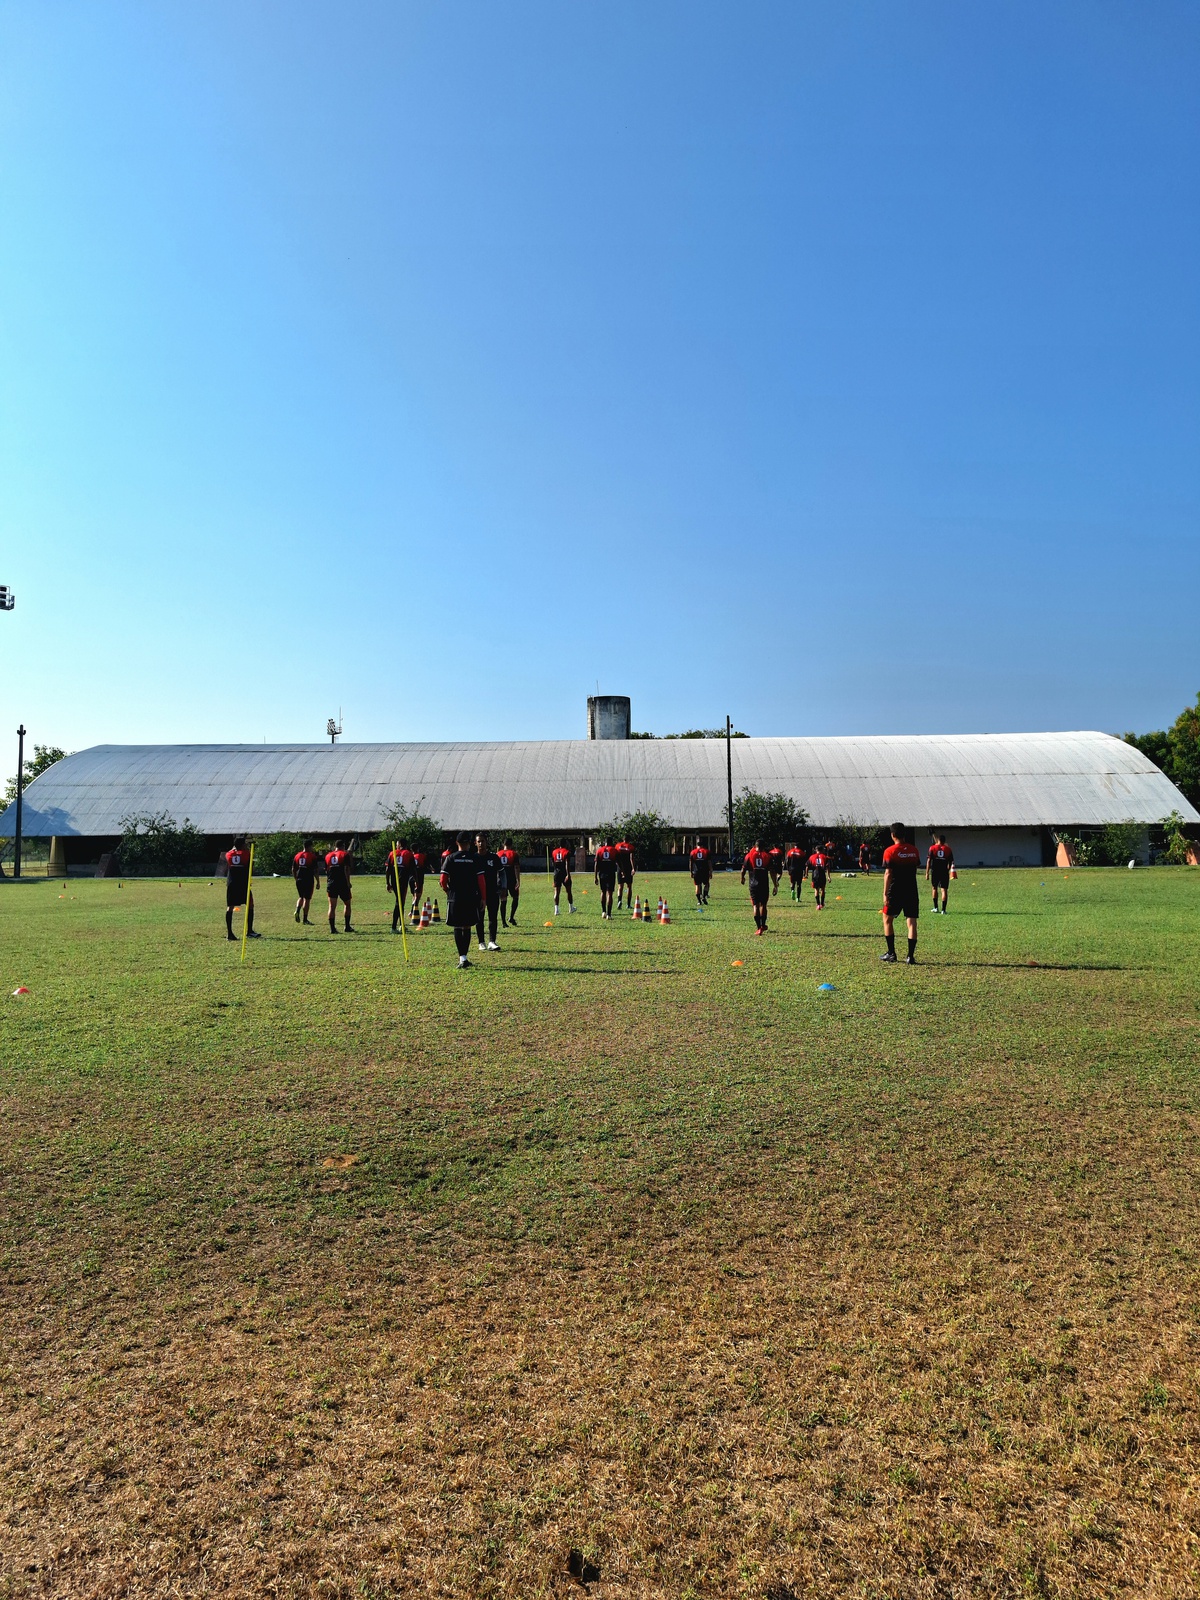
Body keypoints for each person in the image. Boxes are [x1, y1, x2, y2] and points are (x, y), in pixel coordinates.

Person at [440, 832, 488, 968]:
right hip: (471, 897)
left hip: (455, 897)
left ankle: (461, 958)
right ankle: (465, 957)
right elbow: (481, 881)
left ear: (457, 843)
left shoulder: (450, 858)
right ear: (469, 843)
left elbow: (443, 880)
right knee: (467, 926)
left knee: (457, 925)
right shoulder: (475, 859)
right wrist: (483, 898)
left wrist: (447, 890)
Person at [881, 822, 921, 964]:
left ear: (892, 835)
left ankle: (891, 953)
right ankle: (910, 956)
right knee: (911, 922)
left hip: (895, 890)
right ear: (905, 834)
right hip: (911, 889)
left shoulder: (890, 851)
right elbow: (915, 868)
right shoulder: (914, 850)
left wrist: (885, 893)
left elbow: (888, 873)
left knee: (887, 919)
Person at [224, 835, 260, 941]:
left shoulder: (229, 854)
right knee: (250, 905)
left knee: (230, 907)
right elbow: (251, 868)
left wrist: (234, 848)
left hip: (231, 884)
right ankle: (249, 931)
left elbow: (230, 852)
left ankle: (230, 933)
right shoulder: (247, 854)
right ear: (243, 845)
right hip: (243, 884)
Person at [474, 831, 502, 950]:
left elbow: (501, 873)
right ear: (475, 843)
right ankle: (481, 942)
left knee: (493, 917)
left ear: (486, 842)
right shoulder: (473, 858)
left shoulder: (494, 857)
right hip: (478, 893)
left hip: (492, 892)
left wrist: (502, 886)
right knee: (479, 918)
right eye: (478, 841)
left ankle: (492, 941)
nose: (481, 843)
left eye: (483, 841)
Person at [740, 838, 772, 934]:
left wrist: (742, 878)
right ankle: (763, 925)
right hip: (764, 884)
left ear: (755, 846)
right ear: (764, 847)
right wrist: (775, 884)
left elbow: (743, 869)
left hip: (753, 884)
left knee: (755, 905)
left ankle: (759, 928)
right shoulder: (767, 856)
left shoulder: (749, 855)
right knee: (763, 905)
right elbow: (772, 871)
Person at [325, 837, 355, 933]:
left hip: (331, 883)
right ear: (343, 846)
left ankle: (332, 929)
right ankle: (347, 926)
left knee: (332, 906)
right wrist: (348, 882)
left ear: (335, 846)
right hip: (342, 883)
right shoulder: (344, 854)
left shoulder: (328, 856)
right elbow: (346, 869)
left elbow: (327, 870)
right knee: (347, 904)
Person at [385, 839, 414, 933]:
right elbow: (414, 870)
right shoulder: (409, 854)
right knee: (399, 903)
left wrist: (387, 882)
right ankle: (393, 927)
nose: (396, 846)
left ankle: (401, 925)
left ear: (400, 844)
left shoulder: (392, 853)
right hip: (403, 881)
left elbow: (387, 869)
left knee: (401, 903)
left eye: (397, 844)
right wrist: (417, 882)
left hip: (394, 881)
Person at [292, 837, 321, 924]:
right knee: (307, 899)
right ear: (309, 846)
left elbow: (293, 868)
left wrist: (296, 878)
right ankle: (305, 919)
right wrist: (318, 881)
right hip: (308, 880)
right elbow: (315, 870)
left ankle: (297, 910)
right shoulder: (312, 856)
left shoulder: (297, 855)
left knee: (301, 897)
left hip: (299, 879)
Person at [926, 831, 954, 914]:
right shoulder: (948, 849)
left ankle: (935, 907)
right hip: (944, 871)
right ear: (944, 841)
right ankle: (943, 910)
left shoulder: (932, 848)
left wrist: (927, 872)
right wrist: (948, 870)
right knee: (944, 890)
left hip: (935, 871)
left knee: (934, 888)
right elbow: (951, 862)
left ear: (938, 840)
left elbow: (928, 860)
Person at [496, 839, 521, 926]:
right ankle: (511, 917)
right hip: (511, 880)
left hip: (501, 880)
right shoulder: (514, 854)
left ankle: (503, 922)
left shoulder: (497, 854)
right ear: (511, 844)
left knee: (503, 900)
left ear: (503, 844)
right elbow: (516, 868)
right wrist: (518, 880)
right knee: (516, 897)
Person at [594, 837, 618, 919]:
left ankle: (603, 911)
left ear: (605, 842)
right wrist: (622, 871)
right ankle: (609, 914)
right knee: (610, 893)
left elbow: (596, 864)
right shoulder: (614, 850)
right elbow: (618, 862)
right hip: (610, 873)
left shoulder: (599, 850)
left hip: (602, 874)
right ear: (611, 842)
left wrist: (595, 877)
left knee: (603, 892)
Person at [551, 839, 576, 915]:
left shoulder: (554, 852)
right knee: (568, 891)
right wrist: (568, 874)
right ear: (565, 844)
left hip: (556, 873)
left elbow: (553, 863)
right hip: (564, 873)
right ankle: (571, 908)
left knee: (556, 892)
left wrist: (555, 872)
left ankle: (556, 910)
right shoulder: (567, 852)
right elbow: (567, 864)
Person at [807, 841, 830, 909]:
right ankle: (822, 904)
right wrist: (829, 876)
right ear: (822, 850)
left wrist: (806, 874)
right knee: (822, 889)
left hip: (815, 875)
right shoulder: (825, 857)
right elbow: (828, 867)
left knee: (816, 890)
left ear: (816, 850)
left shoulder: (811, 857)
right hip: (822, 874)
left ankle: (818, 905)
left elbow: (807, 866)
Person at [615, 836, 636, 910]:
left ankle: (619, 901)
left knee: (620, 886)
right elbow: (631, 858)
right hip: (628, 868)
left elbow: (616, 857)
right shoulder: (630, 847)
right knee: (629, 886)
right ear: (629, 840)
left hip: (620, 868)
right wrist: (633, 868)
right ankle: (628, 904)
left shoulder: (618, 846)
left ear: (623, 839)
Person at [689, 840, 712, 906]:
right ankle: (704, 897)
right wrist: (710, 871)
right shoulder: (707, 851)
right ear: (702, 846)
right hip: (705, 871)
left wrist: (691, 872)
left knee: (697, 886)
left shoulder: (693, 852)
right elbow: (709, 862)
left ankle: (699, 901)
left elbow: (691, 863)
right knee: (707, 884)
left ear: (697, 846)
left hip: (696, 871)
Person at [410, 845, 428, 909]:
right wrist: (432, 868)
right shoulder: (421, 856)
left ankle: (413, 911)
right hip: (419, 877)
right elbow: (426, 864)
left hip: (411, 878)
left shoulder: (410, 856)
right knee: (418, 895)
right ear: (418, 849)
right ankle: (413, 911)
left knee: (414, 895)